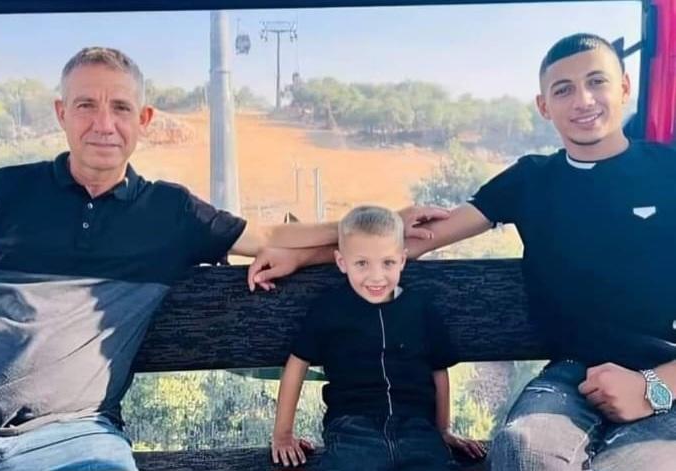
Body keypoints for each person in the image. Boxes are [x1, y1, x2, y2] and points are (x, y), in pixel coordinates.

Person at [0, 47, 446, 471]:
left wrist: (379, 226)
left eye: (120, 108)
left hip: (76, 438)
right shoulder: (0, 192)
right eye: (86, 105)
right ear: (61, 112)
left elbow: (269, 236)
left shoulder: (170, 212)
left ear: (143, 120)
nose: (103, 124)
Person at [249, 33, 676, 470]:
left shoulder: (668, 172)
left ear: (624, 87)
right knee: (521, 452)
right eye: (563, 89)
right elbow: (409, 244)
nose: (583, 100)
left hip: (667, 377)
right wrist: (302, 258)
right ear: (544, 105)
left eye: (597, 82)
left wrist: (652, 387)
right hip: (572, 376)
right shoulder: (530, 180)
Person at [270, 206, 485, 470]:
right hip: (353, 430)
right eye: (362, 263)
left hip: (417, 429)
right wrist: (283, 434)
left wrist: (443, 430)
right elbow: (296, 365)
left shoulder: (420, 309)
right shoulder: (329, 310)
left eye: (388, 263)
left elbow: (439, 371)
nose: (376, 276)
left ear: (402, 260)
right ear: (342, 262)